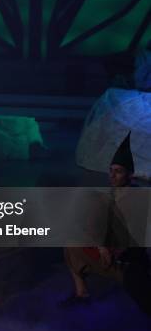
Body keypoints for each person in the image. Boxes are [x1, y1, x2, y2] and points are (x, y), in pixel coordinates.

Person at [62, 133, 151, 314]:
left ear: (130, 175)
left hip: (128, 259)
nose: (112, 176)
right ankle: (82, 293)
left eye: (118, 171)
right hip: (108, 251)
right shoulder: (109, 195)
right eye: (111, 171)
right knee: (71, 242)